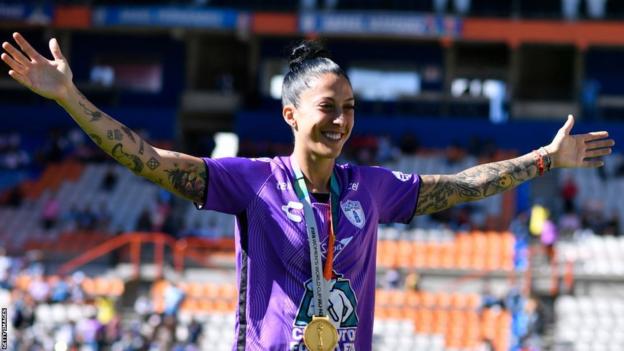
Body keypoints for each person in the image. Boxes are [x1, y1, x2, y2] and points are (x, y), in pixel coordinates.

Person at [1, 33, 615, 350]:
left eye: (350, 108)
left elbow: (458, 186)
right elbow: (149, 161)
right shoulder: (252, 183)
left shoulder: (370, 189)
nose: (342, 120)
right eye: (329, 108)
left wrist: (542, 160)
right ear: (292, 114)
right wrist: (69, 99)